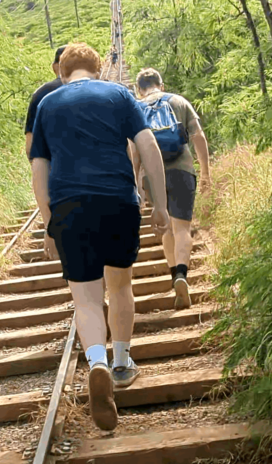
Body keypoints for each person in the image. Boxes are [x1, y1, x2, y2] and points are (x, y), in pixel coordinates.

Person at [29, 43, 171, 432]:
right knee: (120, 284)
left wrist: (49, 223)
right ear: (98, 68)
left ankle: (97, 363)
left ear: (63, 72)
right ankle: (122, 363)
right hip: (117, 201)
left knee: (86, 298)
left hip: (70, 207)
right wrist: (159, 203)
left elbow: (39, 172)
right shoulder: (119, 94)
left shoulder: (47, 105)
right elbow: (149, 146)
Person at [132, 68, 210, 311]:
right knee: (183, 227)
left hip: (152, 177)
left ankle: (172, 273)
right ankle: (182, 276)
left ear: (139, 89)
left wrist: (136, 184)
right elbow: (198, 136)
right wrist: (206, 172)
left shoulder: (136, 108)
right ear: (161, 85)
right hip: (182, 169)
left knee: (166, 228)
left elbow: (134, 150)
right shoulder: (178, 101)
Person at [24, 46, 67, 160]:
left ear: (55, 66)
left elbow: (30, 146)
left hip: (53, 167)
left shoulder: (41, 93)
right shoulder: (101, 91)